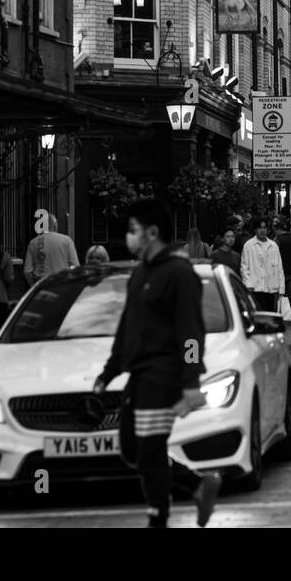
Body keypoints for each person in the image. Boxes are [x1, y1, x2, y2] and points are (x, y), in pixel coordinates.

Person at [93, 200, 221, 527]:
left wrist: (190, 381)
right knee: (132, 447)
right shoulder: (141, 273)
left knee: (150, 449)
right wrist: (110, 370)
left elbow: (191, 332)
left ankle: (158, 517)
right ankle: (196, 483)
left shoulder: (178, 273)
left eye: (134, 230)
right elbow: (127, 325)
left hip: (164, 375)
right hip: (139, 374)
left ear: (152, 232)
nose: (129, 237)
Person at [23, 212, 80, 286]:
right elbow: (75, 266)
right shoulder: (67, 240)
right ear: (55, 225)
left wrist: (33, 286)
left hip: (41, 284)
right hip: (62, 283)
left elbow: (27, 271)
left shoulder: (33, 242)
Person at [241, 220, 285, 314]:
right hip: (255, 288)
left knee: (271, 316)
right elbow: (244, 268)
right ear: (255, 230)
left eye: (264, 228)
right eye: (260, 228)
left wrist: (281, 289)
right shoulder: (248, 245)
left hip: (271, 288)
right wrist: (248, 285)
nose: (262, 230)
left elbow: (279, 268)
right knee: (258, 317)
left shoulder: (273, 245)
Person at [274, 220, 291, 323]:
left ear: (277, 229)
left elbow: (274, 257)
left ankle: (276, 318)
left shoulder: (277, 240)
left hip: (280, 273)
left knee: (277, 296)